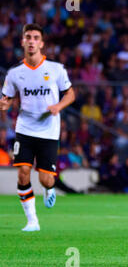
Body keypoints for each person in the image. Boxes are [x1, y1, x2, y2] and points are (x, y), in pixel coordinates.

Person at [0, 23, 75, 232]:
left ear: (41, 43)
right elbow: (6, 99)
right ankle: (32, 220)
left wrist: (58, 106)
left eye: (35, 37)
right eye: (28, 37)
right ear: (23, 42)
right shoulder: (15, 73)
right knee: (23, 172)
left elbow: (71, 94)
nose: (31, 41)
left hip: (49, 131)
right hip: (24, 129)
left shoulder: (55, 69)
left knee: (46, 179)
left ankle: (49, 189)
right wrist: (4, 104)